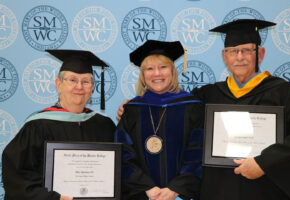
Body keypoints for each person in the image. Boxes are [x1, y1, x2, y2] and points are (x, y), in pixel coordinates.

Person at [191, 19, 290, 200]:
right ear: (225, 56)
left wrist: (264, 163)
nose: (240, 57)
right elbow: (175, 115)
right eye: (233, 51)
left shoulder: (286, 94)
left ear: (260, 54)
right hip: (218, 190)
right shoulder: (207, 95)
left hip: (267, 190)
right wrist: (131, 109)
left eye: (247, 50)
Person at [2, 50, 116, 200]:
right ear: (58, 84)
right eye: (72, 80)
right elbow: (17, 177)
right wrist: (55, 198)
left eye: (86, 81)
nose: (79, 87)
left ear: (92, 87)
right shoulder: (38, 126)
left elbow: (122, 168)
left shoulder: (105, 125)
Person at [114, 40, 204, 200]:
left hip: (180, 196)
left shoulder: (192, 107)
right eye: (150, 69)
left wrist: (175, 189)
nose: (157, 74)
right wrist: (147, 188)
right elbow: (123, 154)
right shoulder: (133, 109)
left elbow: (197, 152)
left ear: (172, 71)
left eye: (163, 67)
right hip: (143, 195)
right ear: (143, 75)